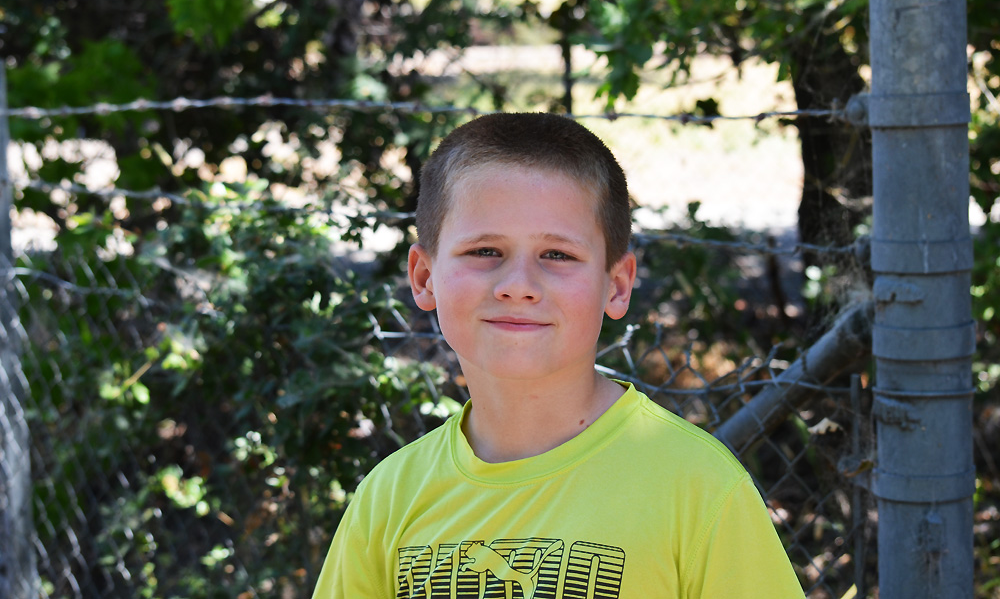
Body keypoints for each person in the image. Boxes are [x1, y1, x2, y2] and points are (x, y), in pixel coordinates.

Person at [311, 113, 805, 598]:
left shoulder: (698, 488)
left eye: (558, 255)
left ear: (616, 286)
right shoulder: (389, 498)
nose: (518, 286)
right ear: (424, 278)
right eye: (485, 251)